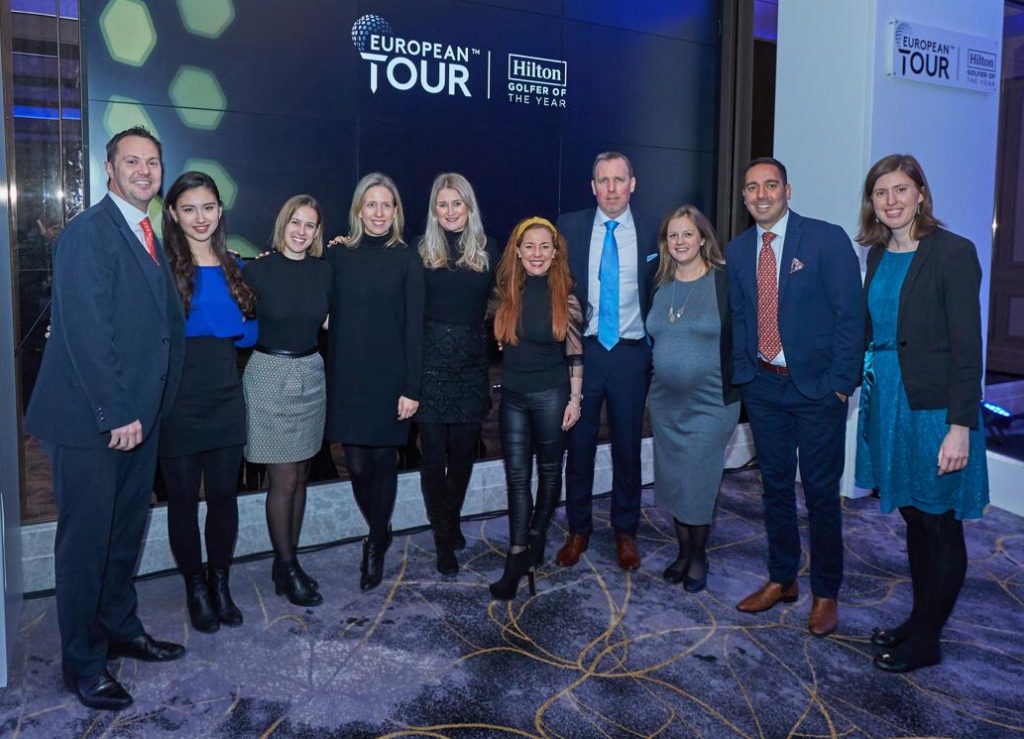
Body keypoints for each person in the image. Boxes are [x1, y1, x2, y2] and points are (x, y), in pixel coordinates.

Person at [24, 126, 186, 710]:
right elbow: (88, 332)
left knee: (123, 535)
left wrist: (145, 409)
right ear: (109, 169)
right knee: (86, 545)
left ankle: (120, 628)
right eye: (132, 161)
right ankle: (84, 665)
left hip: (138, 419)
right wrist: (116, 410)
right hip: (95, 423)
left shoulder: (145, 231)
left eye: (153, 161)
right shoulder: (88, 233)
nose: (144, 170)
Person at [854, 154, 989, 672]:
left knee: (939, 523)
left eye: (900, 190)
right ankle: (919, 619)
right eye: (881, 192)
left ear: (920, 194)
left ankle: (929, 638)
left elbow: (968, 349)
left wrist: (960, 426)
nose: (891, 201)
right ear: (872, 202)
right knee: (913, 516)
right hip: (889, 401)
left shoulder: (953, 253)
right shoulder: (876, 256)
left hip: (934, 410)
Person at [726, 157, 864, 637]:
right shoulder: (738, 250)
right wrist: (744, 375)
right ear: (744, 197)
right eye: (752, 188)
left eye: (770, 185)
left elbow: (851, 317)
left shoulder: (825, 239)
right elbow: (740, 316)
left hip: (818, 390)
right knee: (775, 487)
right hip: (763, 388)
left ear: (788, 190)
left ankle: (826, 591)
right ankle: (782, 578)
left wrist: (841, 384)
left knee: (822, 494)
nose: (761, 195)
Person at [159, 171, 257, 633]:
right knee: (182, 502)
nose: (200, 217)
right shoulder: (161, 269)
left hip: (225, 398)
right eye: (189, 209)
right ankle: (195, 588)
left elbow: (249, 335)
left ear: (220, 211)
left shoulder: (235, 265)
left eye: (208, 207)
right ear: (173, 214)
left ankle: (220, 584)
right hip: (178, 402)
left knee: (223, 499)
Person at [556, 151, 659, 571]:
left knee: (628, 448)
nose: (611, 188)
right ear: (592, 186)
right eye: (604, 180)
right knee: (578, 445)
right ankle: (578, 529)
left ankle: (625, 530)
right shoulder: (569, 227)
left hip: (632, 355)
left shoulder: (654, 230)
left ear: (632, 184)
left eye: (619, 180)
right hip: (585, 353)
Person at [325, 173, 424, 591]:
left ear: (396, 211)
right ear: (358, 210)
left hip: (390, 379)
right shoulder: (338, 255)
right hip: (348, 376)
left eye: (387, 205)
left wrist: (411, 387)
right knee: (357, 465)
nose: (379, 213)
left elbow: (415, 327)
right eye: (371, 205)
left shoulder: (408, 258)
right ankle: (381, 529)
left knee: (383, 464)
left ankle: (374, 543)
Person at [242, 195, 331, 608]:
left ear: (317, 232)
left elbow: (331, 321)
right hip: (269, 376)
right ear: (283, 224)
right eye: (295, 222)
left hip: (311, 373)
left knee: (302, 474)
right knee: (285, 479)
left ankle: (286, 564)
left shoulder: (324, 271)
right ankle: (288, 565)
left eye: (309, 225)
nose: (301, 231)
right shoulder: (257, 270)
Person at [646, 205, 740, 593]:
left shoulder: (724, 282)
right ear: (665, 243)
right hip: (665, 402)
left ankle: (699, 556)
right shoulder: (660, 284)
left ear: (703, 238)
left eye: (688, 234)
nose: (680, 241)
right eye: (673, 235)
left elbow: (744, 336)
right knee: (675, 480)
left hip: (712, 402)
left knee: (698, 480)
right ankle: (683, 552)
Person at [489, 217, 583, 599]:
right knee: (516, 478)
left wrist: (575, 400)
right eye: (529, 246)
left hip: (552, 397)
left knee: (548, 473)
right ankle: (516, 555)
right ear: (517, 251)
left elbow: (575, 355)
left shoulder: (567, 297)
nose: (537, 253)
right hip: (512, 397)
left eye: (545, 246)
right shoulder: (505, 294)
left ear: (555, 252)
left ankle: (537, 535)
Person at [416, 173, 500, 575]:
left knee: (464, 455)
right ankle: (443, 538)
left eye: (457, 203)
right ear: (434, 210)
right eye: (442, 204)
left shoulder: (488, 249)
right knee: (433, 459)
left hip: (470, 367)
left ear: (469, 206)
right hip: (429, 367)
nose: (450, 211)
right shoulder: (420, 251)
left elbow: (506, 298)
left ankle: (449, 521)